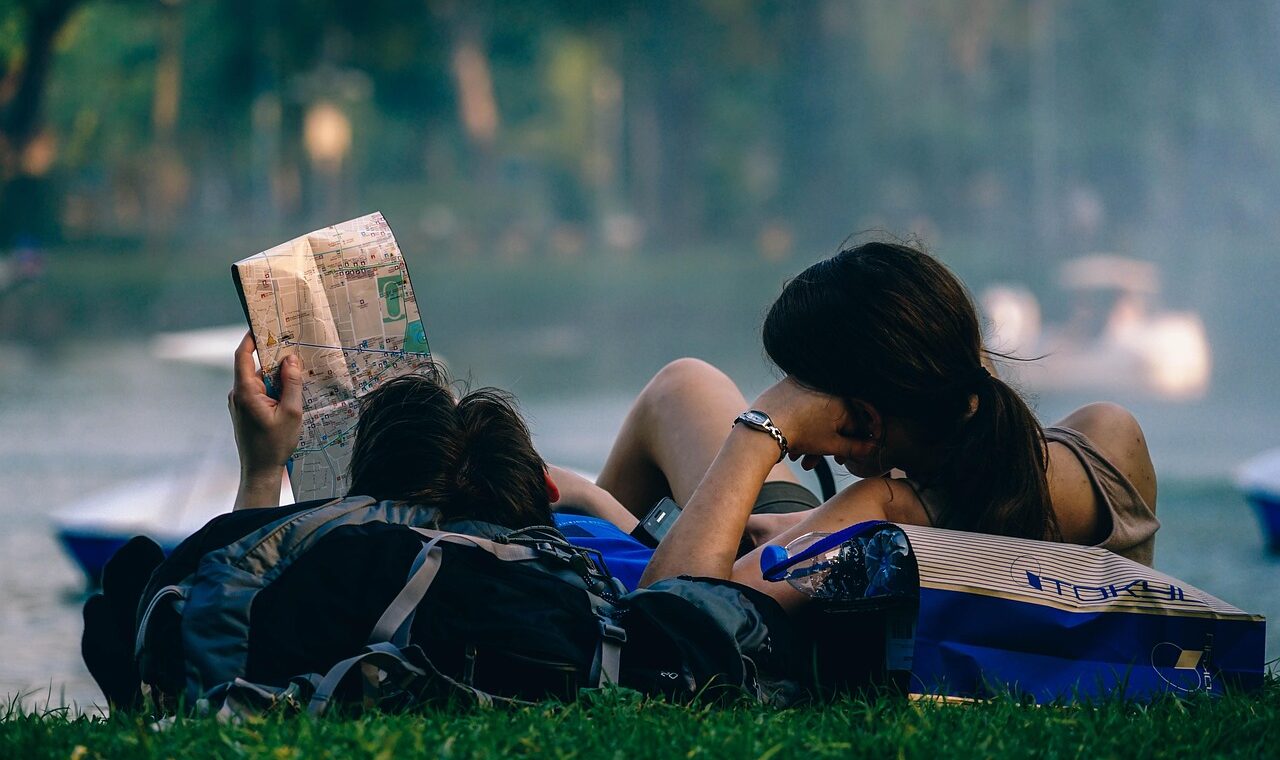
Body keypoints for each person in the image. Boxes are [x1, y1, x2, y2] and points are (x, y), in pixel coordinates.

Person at [571, 241, 1159, 611]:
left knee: (680, 386)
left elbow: (675, 617)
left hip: (783, 572)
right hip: (842, 521)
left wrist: (763, 428)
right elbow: (987, 489)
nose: (805, 453)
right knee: (685, 387)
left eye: (804, 394)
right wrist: (807, 520)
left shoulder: (879, 510)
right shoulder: (1111, 439)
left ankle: (576, 562)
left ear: (867, 420)